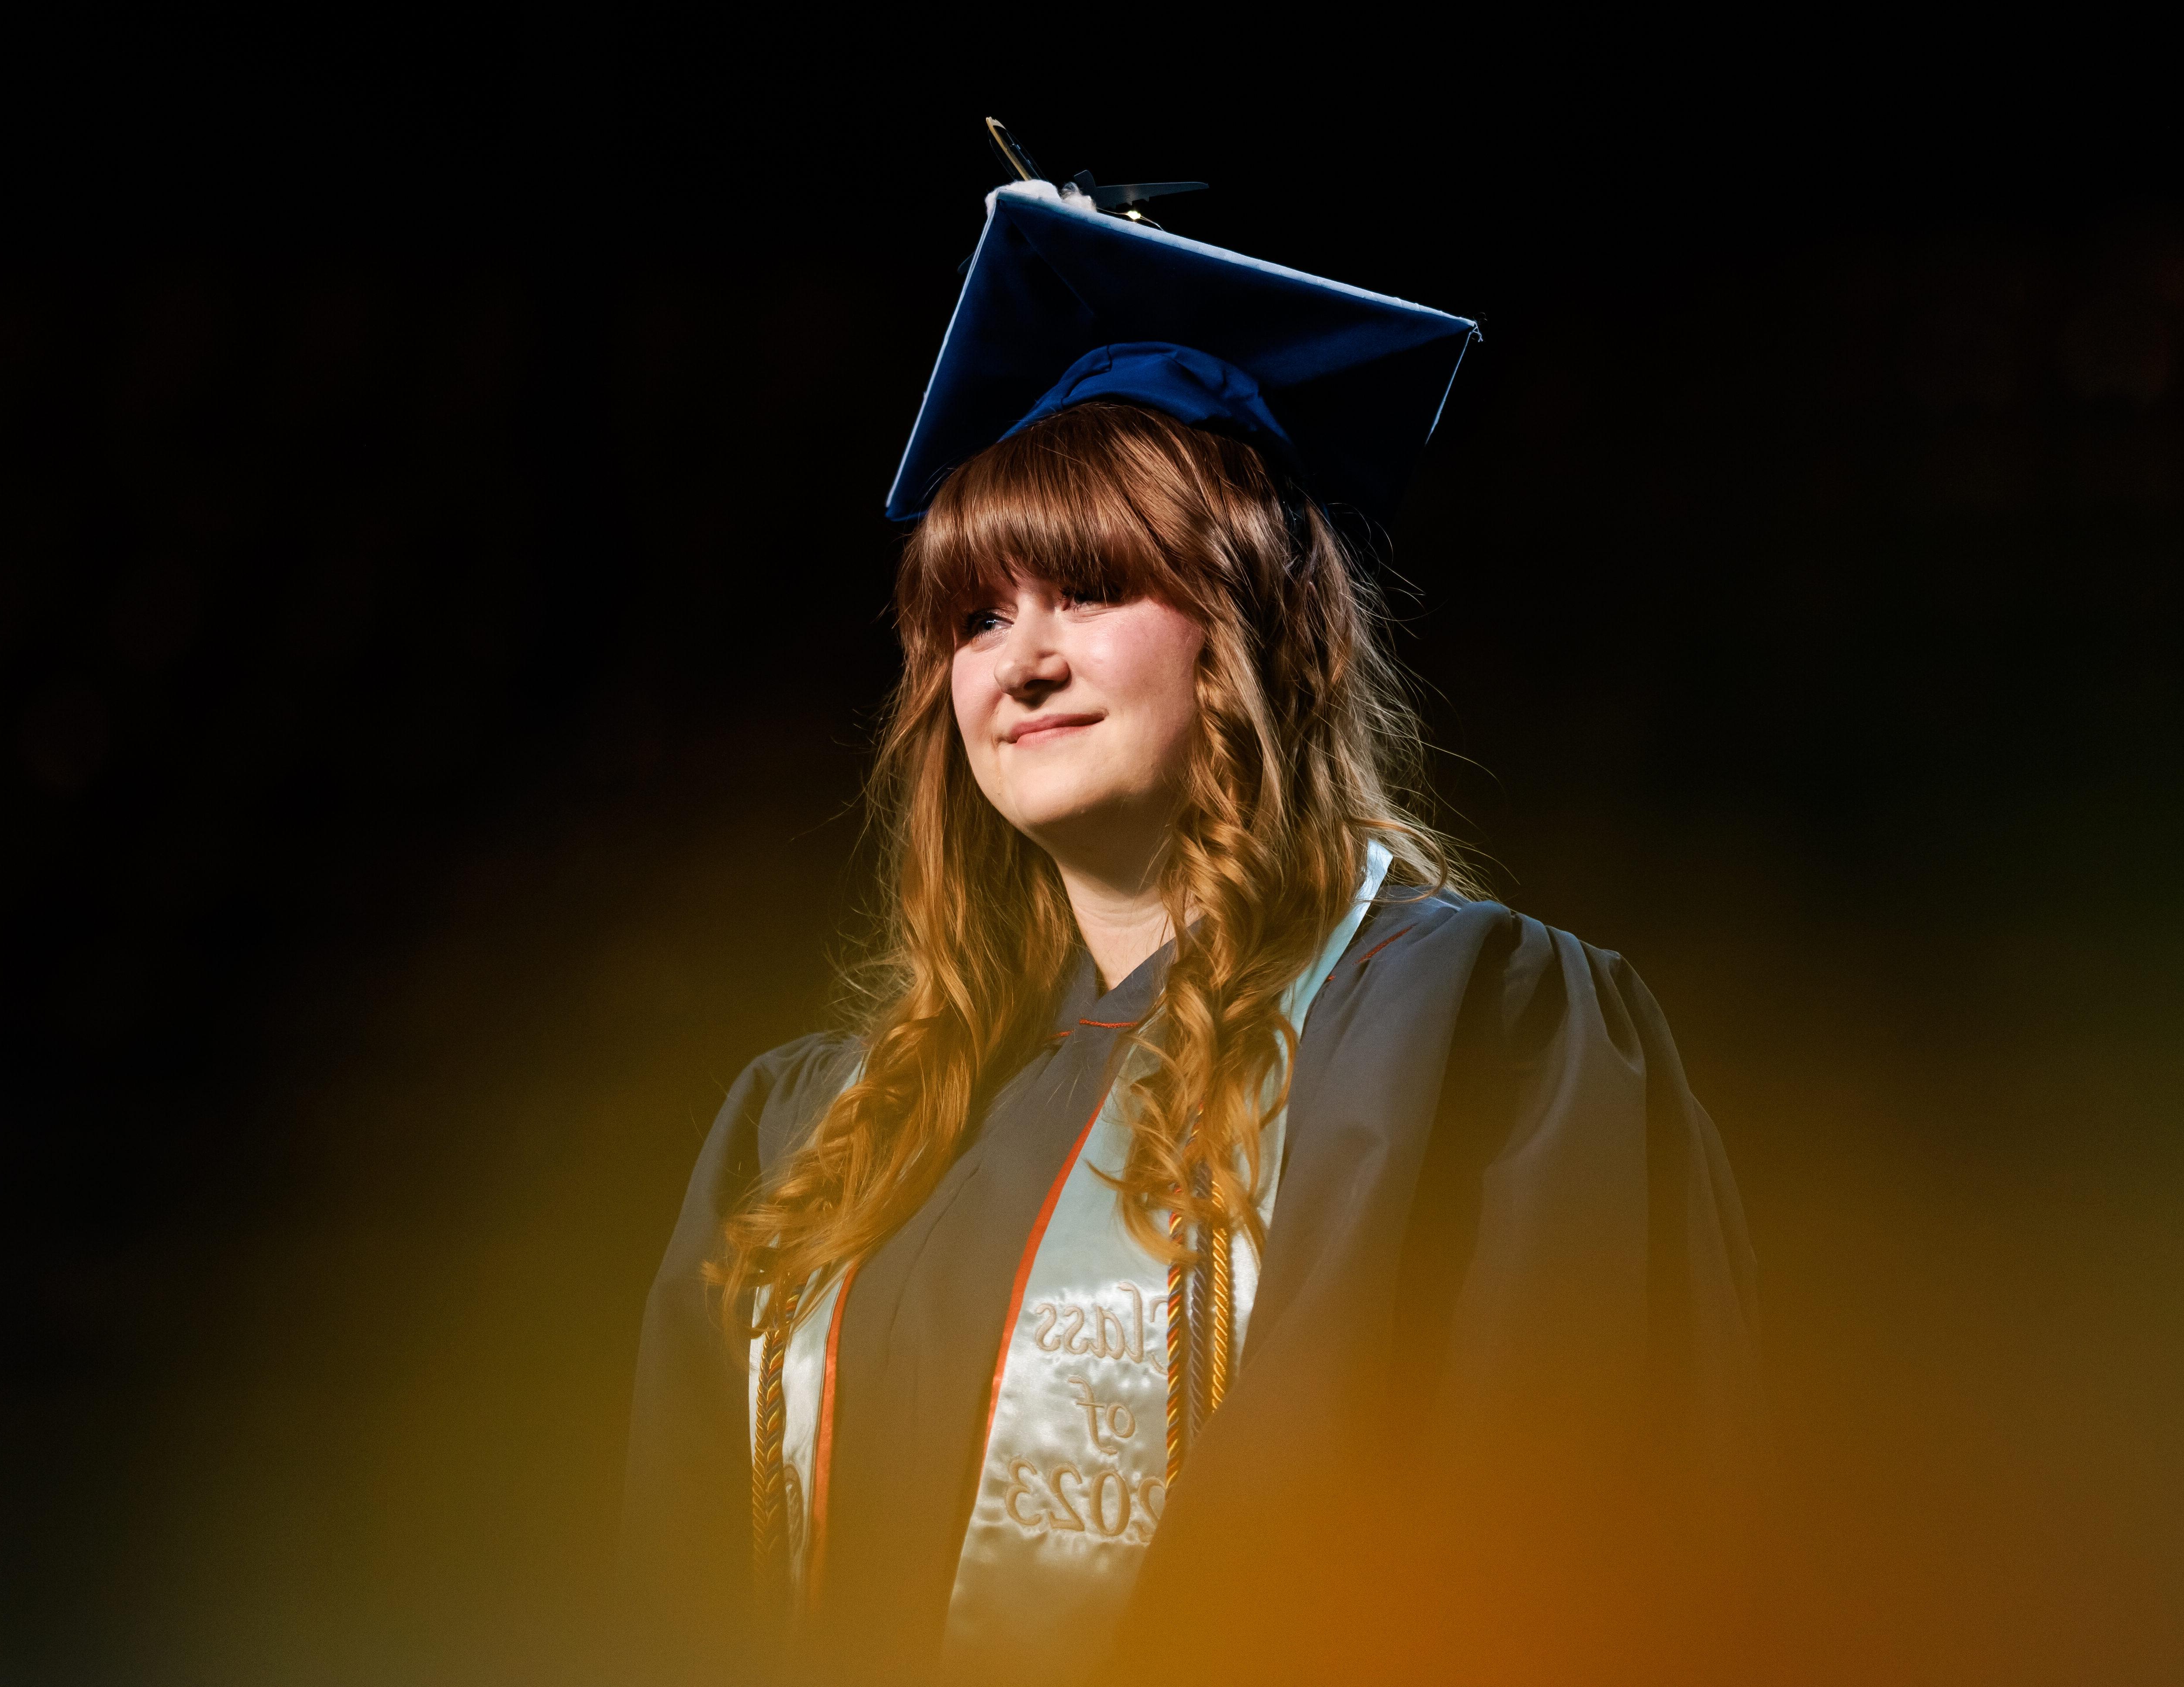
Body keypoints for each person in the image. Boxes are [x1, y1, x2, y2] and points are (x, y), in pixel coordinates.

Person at [618, 166, 1760, 1686]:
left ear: (1254, 628)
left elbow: (1565, 1552)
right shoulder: (821, 1133)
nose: (1019, 663)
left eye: (1089, 589)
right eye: (973, 618)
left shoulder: (1471, 1032)